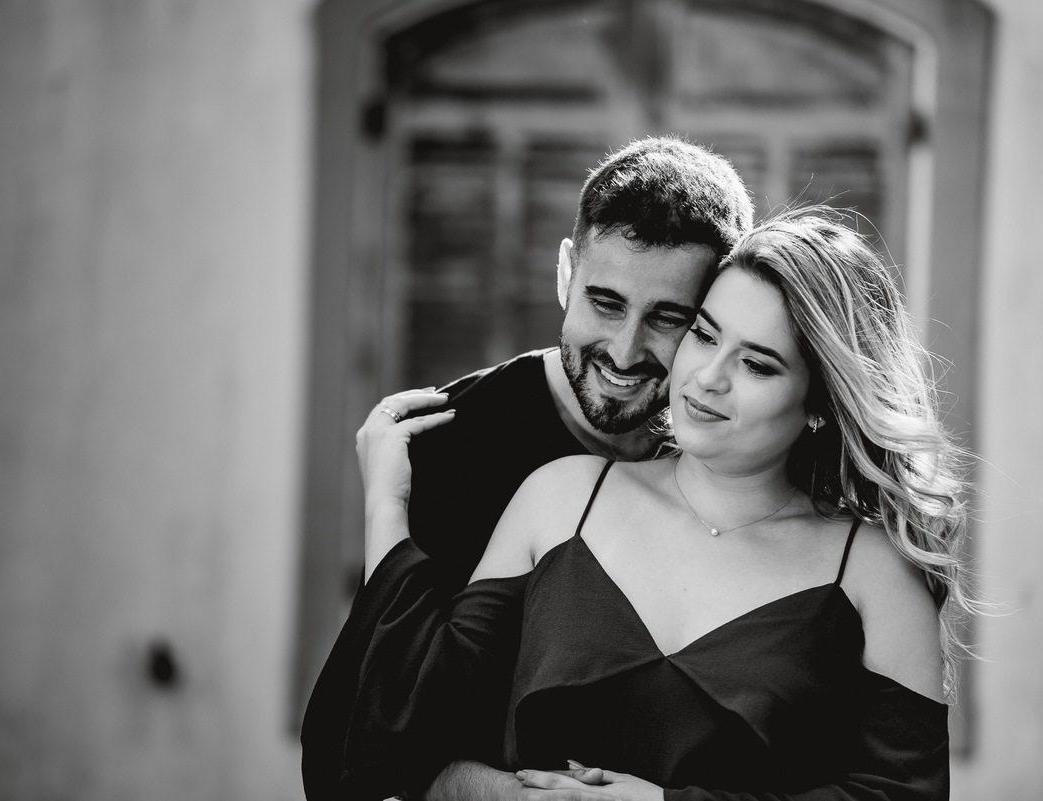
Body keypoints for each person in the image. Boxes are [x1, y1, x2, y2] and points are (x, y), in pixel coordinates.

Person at [357, 208, 970, 800]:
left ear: (820, 403)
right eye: (703, 335)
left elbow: (901, 792)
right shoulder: (561, 498)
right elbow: (408, 733)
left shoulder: (874, 572)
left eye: (757, 364)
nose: (708, 377)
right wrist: (387, 505)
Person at [301, 137, 755, 801]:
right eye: (605, 303)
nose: (625, 350)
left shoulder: (740, 455)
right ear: (566, 272)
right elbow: (353, 745)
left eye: (668, 317)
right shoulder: (451, 444)